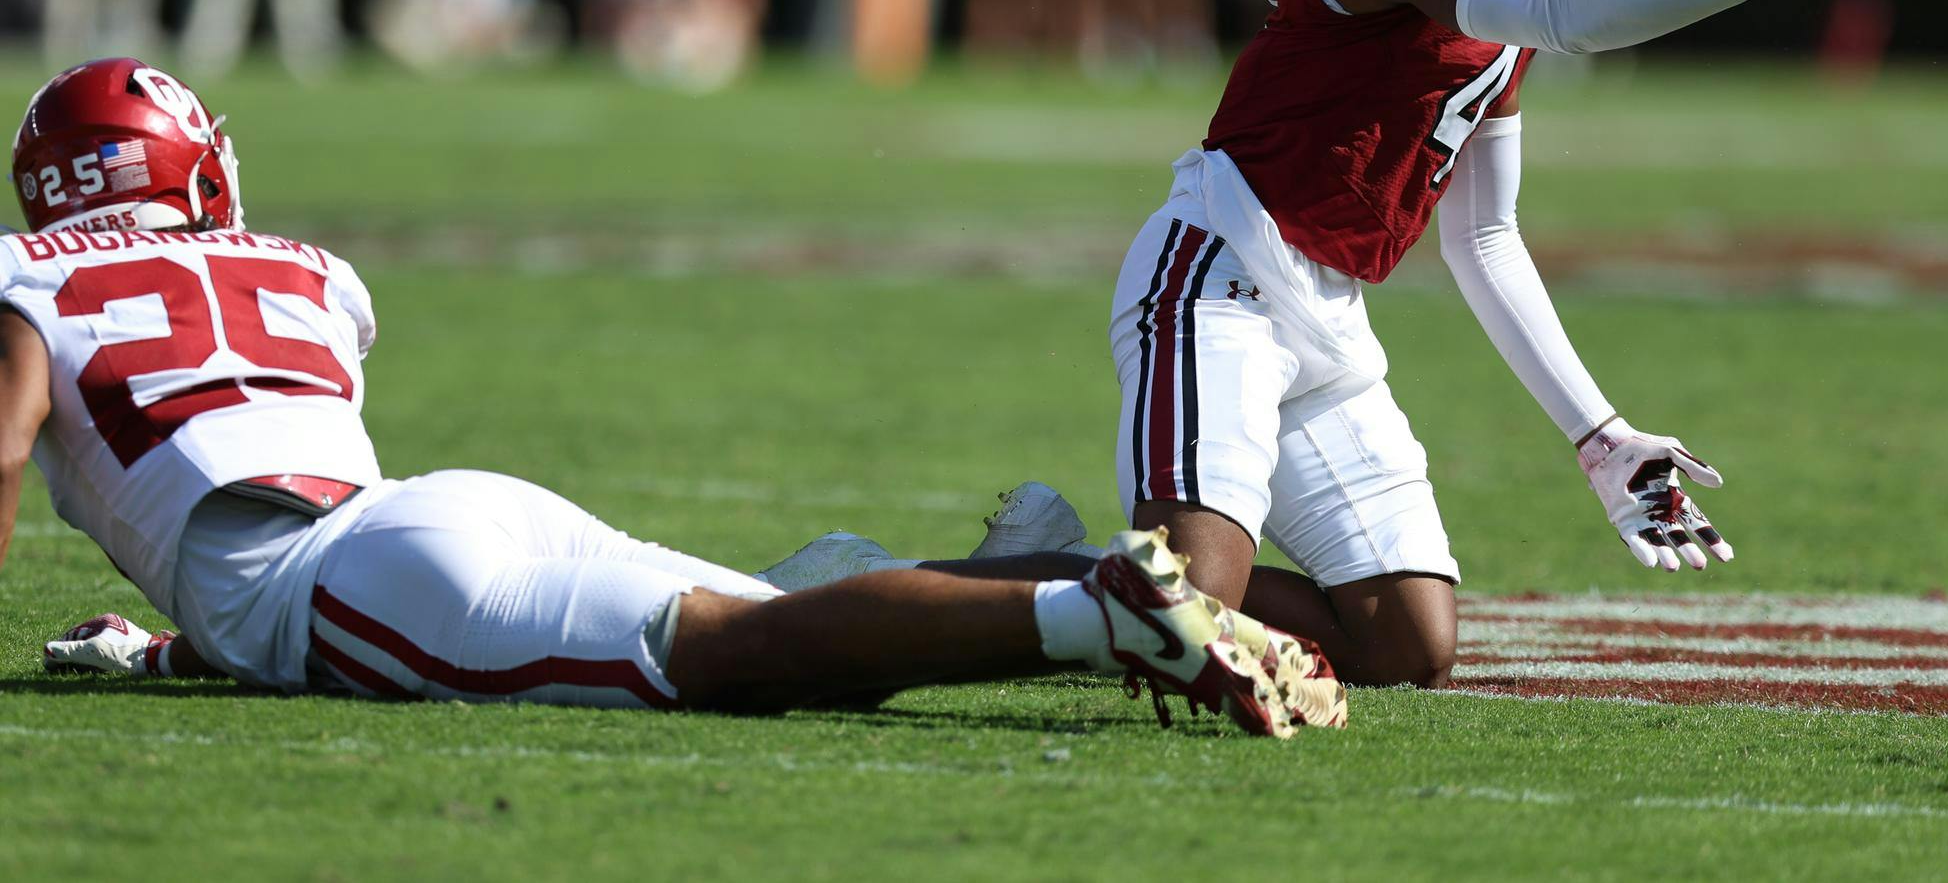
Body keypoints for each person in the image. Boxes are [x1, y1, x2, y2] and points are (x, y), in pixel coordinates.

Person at [770, 0, 1926, 689]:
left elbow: (1482, 231)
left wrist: (1597, 433)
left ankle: (1058, 566)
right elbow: (1557, 13)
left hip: (1326, 310)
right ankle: (843, 591)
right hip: (1217, 276)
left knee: (1403, 643)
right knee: (1186, 605)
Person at [8, 58, 1342, 737]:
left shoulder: (31, 277)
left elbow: (219, 543)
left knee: (735, 661)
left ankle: (1094, 612)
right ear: (189, 170)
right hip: (428, 518)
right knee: (789, 631)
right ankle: (1032, 575)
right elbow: (251, 529)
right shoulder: (301, 267)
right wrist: (163, 649)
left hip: (365, 583)